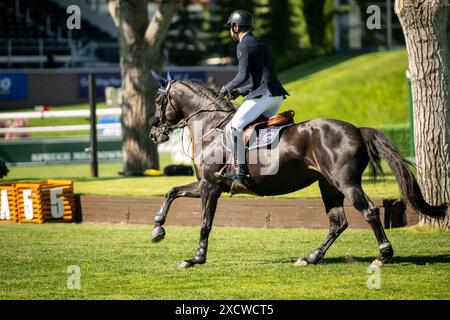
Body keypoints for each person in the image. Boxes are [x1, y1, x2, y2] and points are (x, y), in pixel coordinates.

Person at [217, 9, 289, 189]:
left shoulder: (243, 44)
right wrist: (240, 91)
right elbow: (259, 78)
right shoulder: (258, 42)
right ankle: (260, 165)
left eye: (230, 27)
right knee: (256, 129)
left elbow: (242, 75)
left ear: (235, 26)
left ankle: (240, 171)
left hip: (264, 96)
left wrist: (228, 87)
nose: (230, 31)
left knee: (234, 126)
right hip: (276, 96)